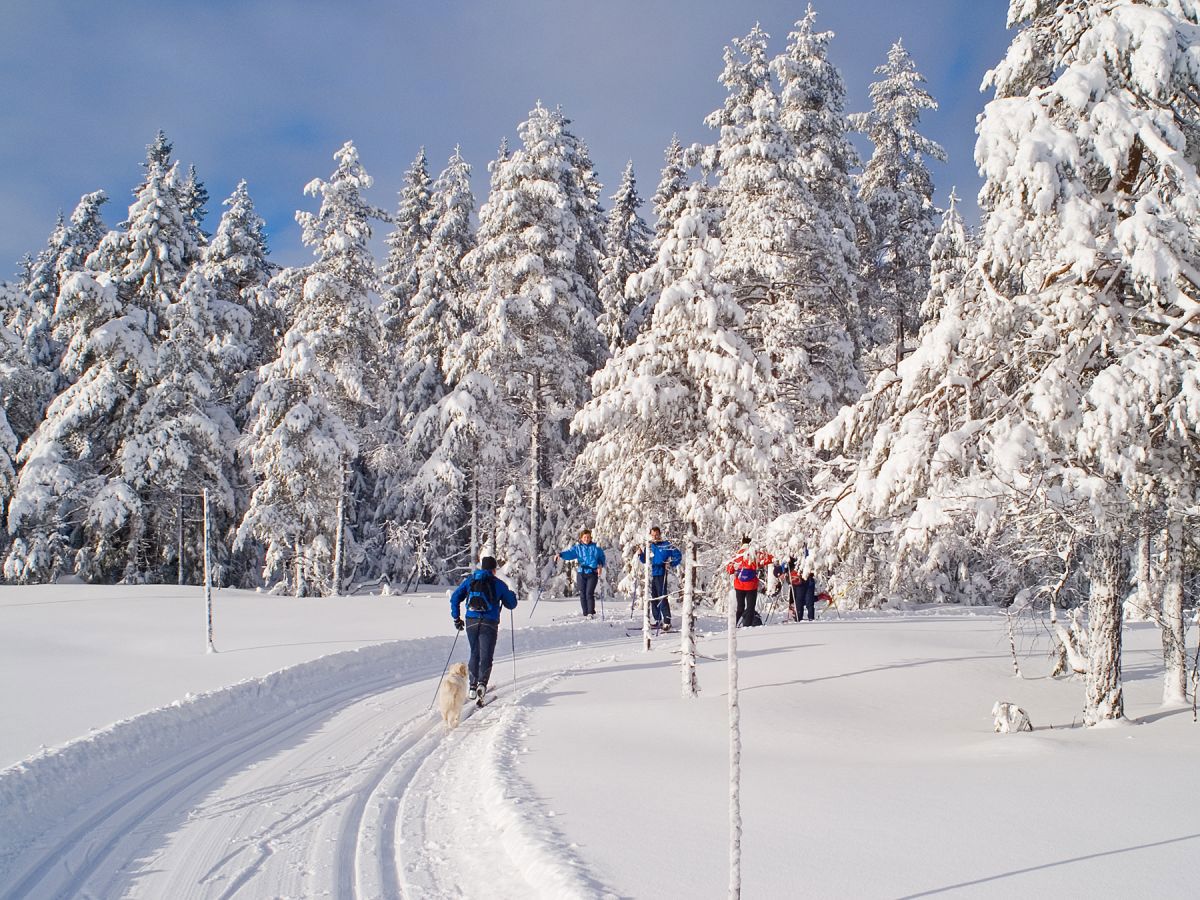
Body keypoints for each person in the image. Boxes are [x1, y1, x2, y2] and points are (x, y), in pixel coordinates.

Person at [449, 554, 518, 702]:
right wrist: (511, 594)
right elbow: (511, 604)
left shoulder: (471, 580)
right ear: (494, 570)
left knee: (474, 652)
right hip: (489, 622)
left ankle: (472, 687)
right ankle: (482, 684)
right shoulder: (498, 583)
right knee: (486, 654)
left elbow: (455, 597)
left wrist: (456, 618)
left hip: (471, 621)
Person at [636, 526, 682, 631]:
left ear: (659, 534)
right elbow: (645, 560)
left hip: (662, 573)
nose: (655, 537)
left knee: (662, 597)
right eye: (653, 535)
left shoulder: (666, 545)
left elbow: (678, 555)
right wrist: (640, 554)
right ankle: (658, 620)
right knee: (654, 597)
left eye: (656, 534)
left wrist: (670, 563)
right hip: (653, 573)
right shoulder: (650, 545)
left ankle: (667, 621)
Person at [558, 529, 607, 619]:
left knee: (589, 593)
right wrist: (560, 555)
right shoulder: (578, 548)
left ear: (591, 537)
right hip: (581, 572)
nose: (586, 539)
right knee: (582, 593)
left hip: (592, 573)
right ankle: (585, 613)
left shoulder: (596, 548)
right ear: (581, 538)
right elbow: (570, 553)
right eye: (585, 537)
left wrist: (600, 565)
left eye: (588, 537)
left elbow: (602, 558)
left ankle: (590, 613)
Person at [727, 537, 773, 627]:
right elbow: (768, 559)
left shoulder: (737, 555)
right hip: (751, 585)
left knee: (740, 607)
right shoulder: (755, 554)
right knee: (750, 607)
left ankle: (732, 625)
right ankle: (747, 626)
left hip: (739, 585)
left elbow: (730, 569)